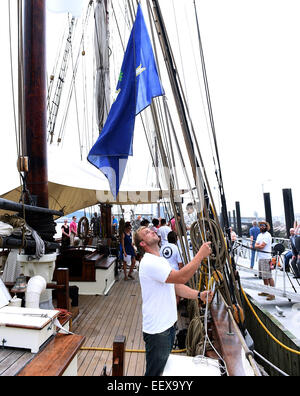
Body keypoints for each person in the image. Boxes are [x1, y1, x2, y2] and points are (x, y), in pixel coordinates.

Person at [134, 226, 213, 376]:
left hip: (168, 326)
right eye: (146, 233)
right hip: (158, 331)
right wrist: (200, 255)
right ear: (143, 244)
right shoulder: (150, 262)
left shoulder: (159, 260)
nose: (151, 231)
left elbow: (176, 286)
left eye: (151, 230)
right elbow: (181, 277)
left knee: (161, 370)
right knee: (154, 373)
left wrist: (199, 294)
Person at [255, 221, 275, 301]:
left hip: (266, 257)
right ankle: (266, 291)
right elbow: (256, 245)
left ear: (266, 227)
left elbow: (262, 246)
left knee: (269, 276)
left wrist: (258, 246)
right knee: (263, 276)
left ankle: (273, 293)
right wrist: (258, 246)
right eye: (260, 226)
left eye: (263, 225)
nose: (262, 227)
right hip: (260, 257)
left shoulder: (267, 235)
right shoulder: (259, 235)